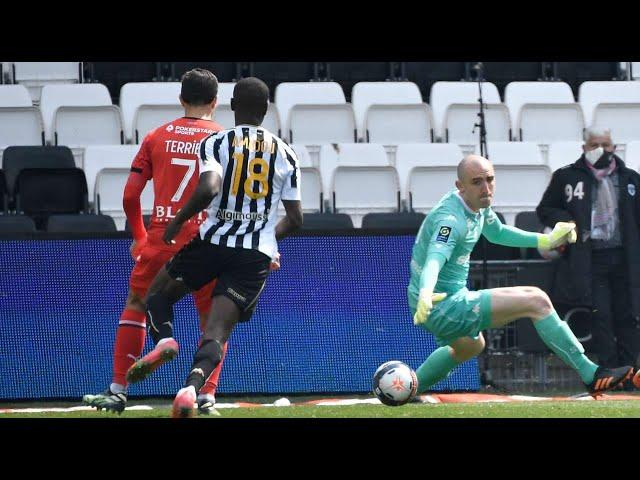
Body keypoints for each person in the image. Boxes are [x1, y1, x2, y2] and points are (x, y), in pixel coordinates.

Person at [124, 77, 303, 418]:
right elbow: (296, 219)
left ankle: (165, 341)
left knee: (157, 295)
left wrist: (178, 221)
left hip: (211, 242)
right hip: (254, 255)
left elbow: (208, 187)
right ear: (266, 110)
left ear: (232, 105)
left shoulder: (216, 142)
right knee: (216, 331)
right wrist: (268, 239)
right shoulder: (286, 153)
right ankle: (192, 390)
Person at [408, 154, 635, 397]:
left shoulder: (475, 205)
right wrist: (425, 292)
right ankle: (590, 373)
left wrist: (546, 239)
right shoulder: (451, 220)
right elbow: (434, 258)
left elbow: (497, 232)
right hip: (439, 303)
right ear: (460, 186)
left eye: (490, 179)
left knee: (472, 346)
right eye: (477, 182)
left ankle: (408, 388)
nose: (486, 188)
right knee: (536, 301)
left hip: (447, 298)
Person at [83, 68, 229, 415]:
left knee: (137, 303)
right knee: (213, 319)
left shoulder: (156, 136)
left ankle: (119, 389)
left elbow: (131, 195)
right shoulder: (224, 139)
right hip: (206, 240)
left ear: (181, 99)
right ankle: (205, 395)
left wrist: (139, 236)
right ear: (215, 102)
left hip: (162, 236)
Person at [537, 126, 640, 380]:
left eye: (605, 144)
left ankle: (630, 373)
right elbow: (546, 209)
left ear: (614, 148)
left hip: (624, 258)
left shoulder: (630, 178)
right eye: (594, 145)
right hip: (590, 258)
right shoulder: (567, 177)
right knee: (601, 316)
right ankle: (609, 374)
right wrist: (568, 220)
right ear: (584, 148)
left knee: (627, 316)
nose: (600, 150)